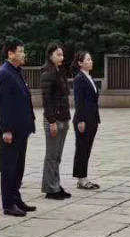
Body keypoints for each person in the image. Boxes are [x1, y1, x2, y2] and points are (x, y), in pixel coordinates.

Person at [0, 39, 36, 216]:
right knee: (9, 167)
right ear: (10, 53)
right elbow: (2, 104)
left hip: (22, 128)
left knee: (18, 166)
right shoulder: (4, 74)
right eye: (20, 51)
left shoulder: (16, 71)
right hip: (11, 130)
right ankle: (8, 204)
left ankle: (16, 198)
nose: (23, 54)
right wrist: (6, 129)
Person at [39, 43, 72, 200]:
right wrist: (51, 121)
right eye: (58, 54)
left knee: (57, 156)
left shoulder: (60, 71)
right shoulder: (47, 73)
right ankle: (50, 189)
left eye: (62, 54)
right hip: (54, 119)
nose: (62, 57)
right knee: (51, 156)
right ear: (50, 55)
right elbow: (47, 100)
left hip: (63, 117)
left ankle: (55, 185)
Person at [72, 50, 101, 189]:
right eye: (87, 59)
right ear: (80, 63)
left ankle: (84, 176)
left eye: (91, 59)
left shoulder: (90, 78)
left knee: (87, 149)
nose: (90, 61)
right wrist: (81, 120)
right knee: (82, 149)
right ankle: (81, 178)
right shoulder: (79, 79)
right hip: (83, 120)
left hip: (93, 118)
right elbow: (79, 101)